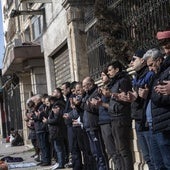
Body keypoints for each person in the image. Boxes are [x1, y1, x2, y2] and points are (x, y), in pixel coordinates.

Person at [142, 48, 170, 169]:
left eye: (151, 65)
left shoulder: (166, 72)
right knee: (158, 163)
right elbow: (154, 95)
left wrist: (155, 95)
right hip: (155, 125)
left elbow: (159, 97)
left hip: (165, 124)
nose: (150, 69)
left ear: (159, 60)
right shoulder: (155, 76)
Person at [107, 61, 134, 170]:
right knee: (118, 150)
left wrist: (112, 95)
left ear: (117, 69)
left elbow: (126, 99)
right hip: (114, 118)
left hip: (121, 118)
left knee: (124, 150)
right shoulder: (114, 82)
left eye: (110, 70)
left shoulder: (124, 80)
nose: (108, 73)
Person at [82, 77, 109, 170]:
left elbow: (95, 108)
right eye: (83, 86)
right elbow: (84, 105)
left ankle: (103, 168)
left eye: (86, 85)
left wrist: (86, 105)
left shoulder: (96, 92)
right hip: (88, 126)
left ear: (91, 84)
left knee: (99, 151)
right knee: (94, 152)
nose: (84, 88)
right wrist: (85, 104)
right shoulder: (87, 95)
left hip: (94, 125)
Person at [43, 101, 65, 169]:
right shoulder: (52, 113)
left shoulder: (58, 113)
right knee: (56, 149)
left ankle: (61, 163)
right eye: (53, 108)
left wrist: (47, 121)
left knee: (59, 149)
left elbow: (55, 120)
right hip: (54, 133)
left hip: (57, 133)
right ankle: (59, 162)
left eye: (56, 107)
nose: (54, 109)